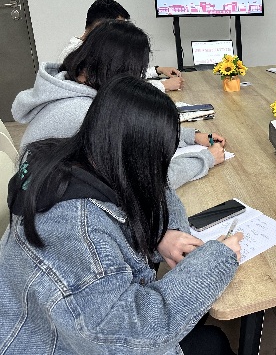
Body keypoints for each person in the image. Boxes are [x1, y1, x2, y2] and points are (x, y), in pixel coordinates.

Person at [0, 75, 241, 354]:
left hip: (50, 319)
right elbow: (128, 334)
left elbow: (156, 186)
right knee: (214, 342)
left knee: (194, 310)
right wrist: (217, 261)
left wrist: (163, 231)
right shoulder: (78, 232)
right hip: (52, 342)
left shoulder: (77, 157)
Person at [13, 19, 225, 190]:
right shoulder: (83, 113)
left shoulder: (70, 86)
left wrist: (188, 137)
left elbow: (135, 136)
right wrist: (205, 159)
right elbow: (142, 184)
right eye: (137, 72)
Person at [57, 0, 184, 92]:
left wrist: (157, 70)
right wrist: (161, 85)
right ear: (101, 27)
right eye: (118, 27)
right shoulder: (76, 52)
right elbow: (113, 90)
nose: (121, 33)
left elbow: (119, 73)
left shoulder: (89, 49)